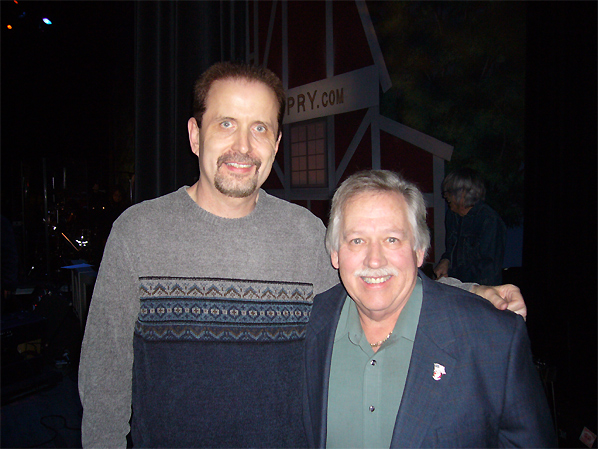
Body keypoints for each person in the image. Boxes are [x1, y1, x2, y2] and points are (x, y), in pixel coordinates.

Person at [79, 62, 527, 448]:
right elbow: (104, 381)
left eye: (260, 128)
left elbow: (376, 283)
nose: (243, 146)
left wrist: (473, 292)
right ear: (196, 135)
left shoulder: (303, 234)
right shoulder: (138, 233)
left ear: (275, 144)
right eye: (226, 123)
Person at [303, 170, 555, 448]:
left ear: (420, 250)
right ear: (335, 254)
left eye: (392, 239)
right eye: (357, 240)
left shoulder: (494, 340)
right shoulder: (305, 328)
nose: (374, 260)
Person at [434, 168, 507, 285]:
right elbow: (451, 249)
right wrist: (446, 260)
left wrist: (453, 279)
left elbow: (488, 271)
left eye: (449, 191)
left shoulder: (489, 221)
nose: (445, 195)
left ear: (463, 193)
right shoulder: (452, 215)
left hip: (480, 292)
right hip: (458, 289)